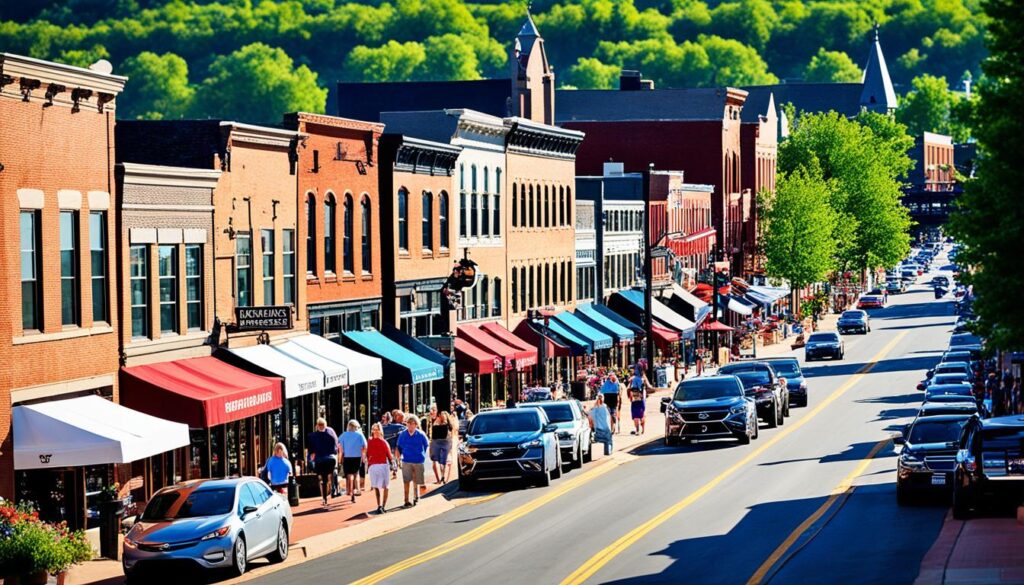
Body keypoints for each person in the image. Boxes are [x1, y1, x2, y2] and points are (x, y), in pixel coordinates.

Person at [396, 414, 430, 508]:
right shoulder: (403, 434)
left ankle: (416, 496)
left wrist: (427, 458)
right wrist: (398, 459)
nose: (411, 425)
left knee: (416, 479)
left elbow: (427, 446)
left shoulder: (421, 434)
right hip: (406, 460)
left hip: (418, 460)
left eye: (413, 423)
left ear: (416, 424)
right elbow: (398, 447)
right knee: (406, 481)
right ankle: (406, 500)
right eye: (409, 423)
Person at [306, 418, 339, 507]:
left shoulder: (312, 436)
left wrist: (310, 459)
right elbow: (335, 447)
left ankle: (324, 498)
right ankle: (334, 488)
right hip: (330, 459)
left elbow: (311, 451)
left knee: (323, 479)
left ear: (317, 425)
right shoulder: (330, 434)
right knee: (332, 473)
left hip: (319, 460)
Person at [366, 423, 394, 514]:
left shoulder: (384, 442)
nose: (375, 431)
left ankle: (383, 505)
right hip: (373, 466)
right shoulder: (369, 441)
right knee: (376, 487)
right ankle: (379, 505)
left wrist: (393, 465)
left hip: (383, 465)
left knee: (386, 486)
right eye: (374, 429)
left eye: (377, 429)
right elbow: (367, 453)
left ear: (380, 431)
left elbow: (389, 455)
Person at [339, 420, 368, 504]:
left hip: (347, 457)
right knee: (356, 473)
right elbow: (365, 446)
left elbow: (339, 444)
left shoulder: (344, 435)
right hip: (357, 457)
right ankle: (356, 489)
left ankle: (349, 490)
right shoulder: (359, 435)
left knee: (349, 474)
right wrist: (363, 455)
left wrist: (341, 456)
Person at [428, 406, 455, 484]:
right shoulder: (443, 425)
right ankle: (443, 477)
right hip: (440, 443)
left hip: (443, 443)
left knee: (442, 461)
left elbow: (452, 435)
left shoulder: (446, 426)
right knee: (442, 461)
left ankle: (443, 478)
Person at [383, 410, 406, 479]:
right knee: (394, 456)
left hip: (392, 444)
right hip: (394, 443)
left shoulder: (384, 426)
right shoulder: (399, 426)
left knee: (393, 456)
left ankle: (395, 466)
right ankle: (395, 466)